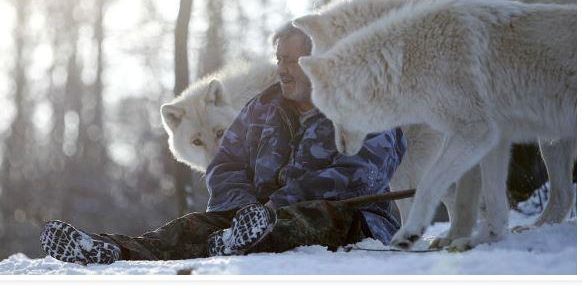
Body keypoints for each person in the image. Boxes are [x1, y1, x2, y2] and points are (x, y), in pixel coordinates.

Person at [40, 22, 406, 265]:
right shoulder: (261, 108)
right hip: (254, 218)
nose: (282, 70)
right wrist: (244, 208)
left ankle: (240, 238)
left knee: (315, 218)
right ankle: (110, 250)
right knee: (192, 226)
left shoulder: (365, 105)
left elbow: (361, 175)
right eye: (280, 59)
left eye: (294, 61)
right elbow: (226, 164)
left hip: (355, 220)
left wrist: (273, 207)